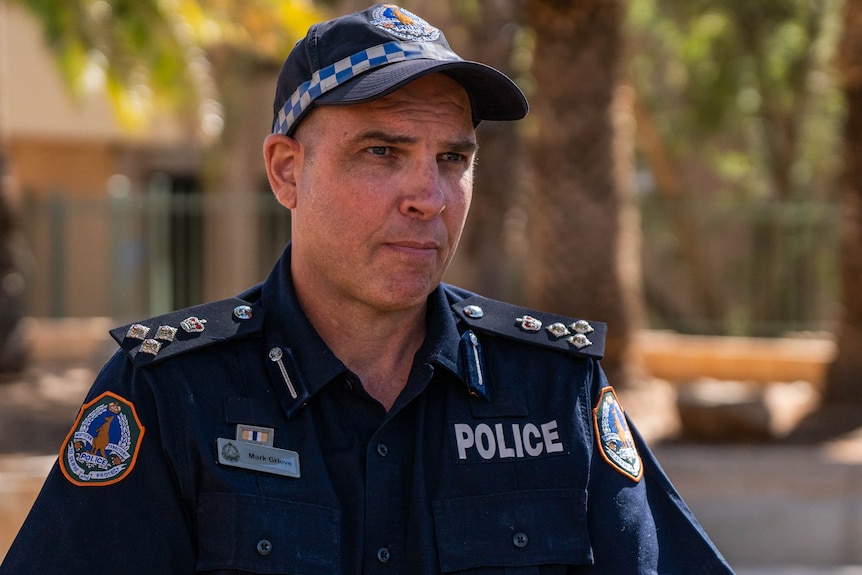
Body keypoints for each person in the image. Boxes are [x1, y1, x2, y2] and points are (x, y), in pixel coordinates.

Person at [1, 4, 734, 574]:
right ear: (287, 171)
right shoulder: (169, 395)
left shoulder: (552, 388)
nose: (429, 196)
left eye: (453, 158)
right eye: (382, 152)